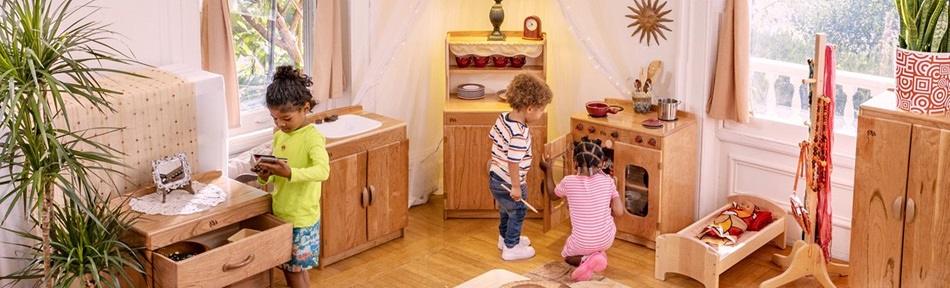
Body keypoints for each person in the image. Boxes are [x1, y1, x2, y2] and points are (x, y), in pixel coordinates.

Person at [255, 65, 330, 288]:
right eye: (274, 118)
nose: (280, 124)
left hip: (301, 217)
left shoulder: (312, 138)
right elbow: (279, 173)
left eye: (285, 118)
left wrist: (291, 173)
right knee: (295, 269)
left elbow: (323, 171)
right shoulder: (279, 137)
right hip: (282, 213)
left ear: (305, 108)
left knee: (294, 272)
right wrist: (265, 175)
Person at [487, 73, 553, 261]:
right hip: (511, 181)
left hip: (496, 178)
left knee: (505, 210)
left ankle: (505, 238)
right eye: (541, 110)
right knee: (517, 212)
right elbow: (513, 162)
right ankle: (512, 247)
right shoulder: (519, 133)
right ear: (530, 108)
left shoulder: (503, 118)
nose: (541, 114)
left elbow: (493, 140)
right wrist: (516, 186)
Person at [539, 139, 624, 281]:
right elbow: (619, 212)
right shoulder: (608, 181)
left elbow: (553, 195)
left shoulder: (568, 181)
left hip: (581, 241)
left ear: (575, 163)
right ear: (602, 164)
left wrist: (547, 170)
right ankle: (597, 254)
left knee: (566, 256)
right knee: (598, 232)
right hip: (606, 239)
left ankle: (585, 260)